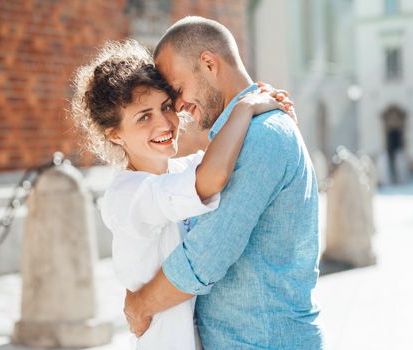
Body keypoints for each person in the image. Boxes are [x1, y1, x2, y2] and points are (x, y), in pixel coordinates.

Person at [70, 39, 294, 350]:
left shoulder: (178, 171)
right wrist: (244, 108)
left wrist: (264, 101)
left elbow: (229, 160)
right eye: (143, 117)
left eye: (165, 107)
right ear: (115, 135)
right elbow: (212, 178)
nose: (165, 123)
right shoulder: (127, 196)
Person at [123, 16, 325, 349]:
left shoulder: (262, 137)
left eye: (177, 91)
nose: (178, 107)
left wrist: (140, 304)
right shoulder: (239, 135)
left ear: (208, 63)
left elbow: (206, 256)